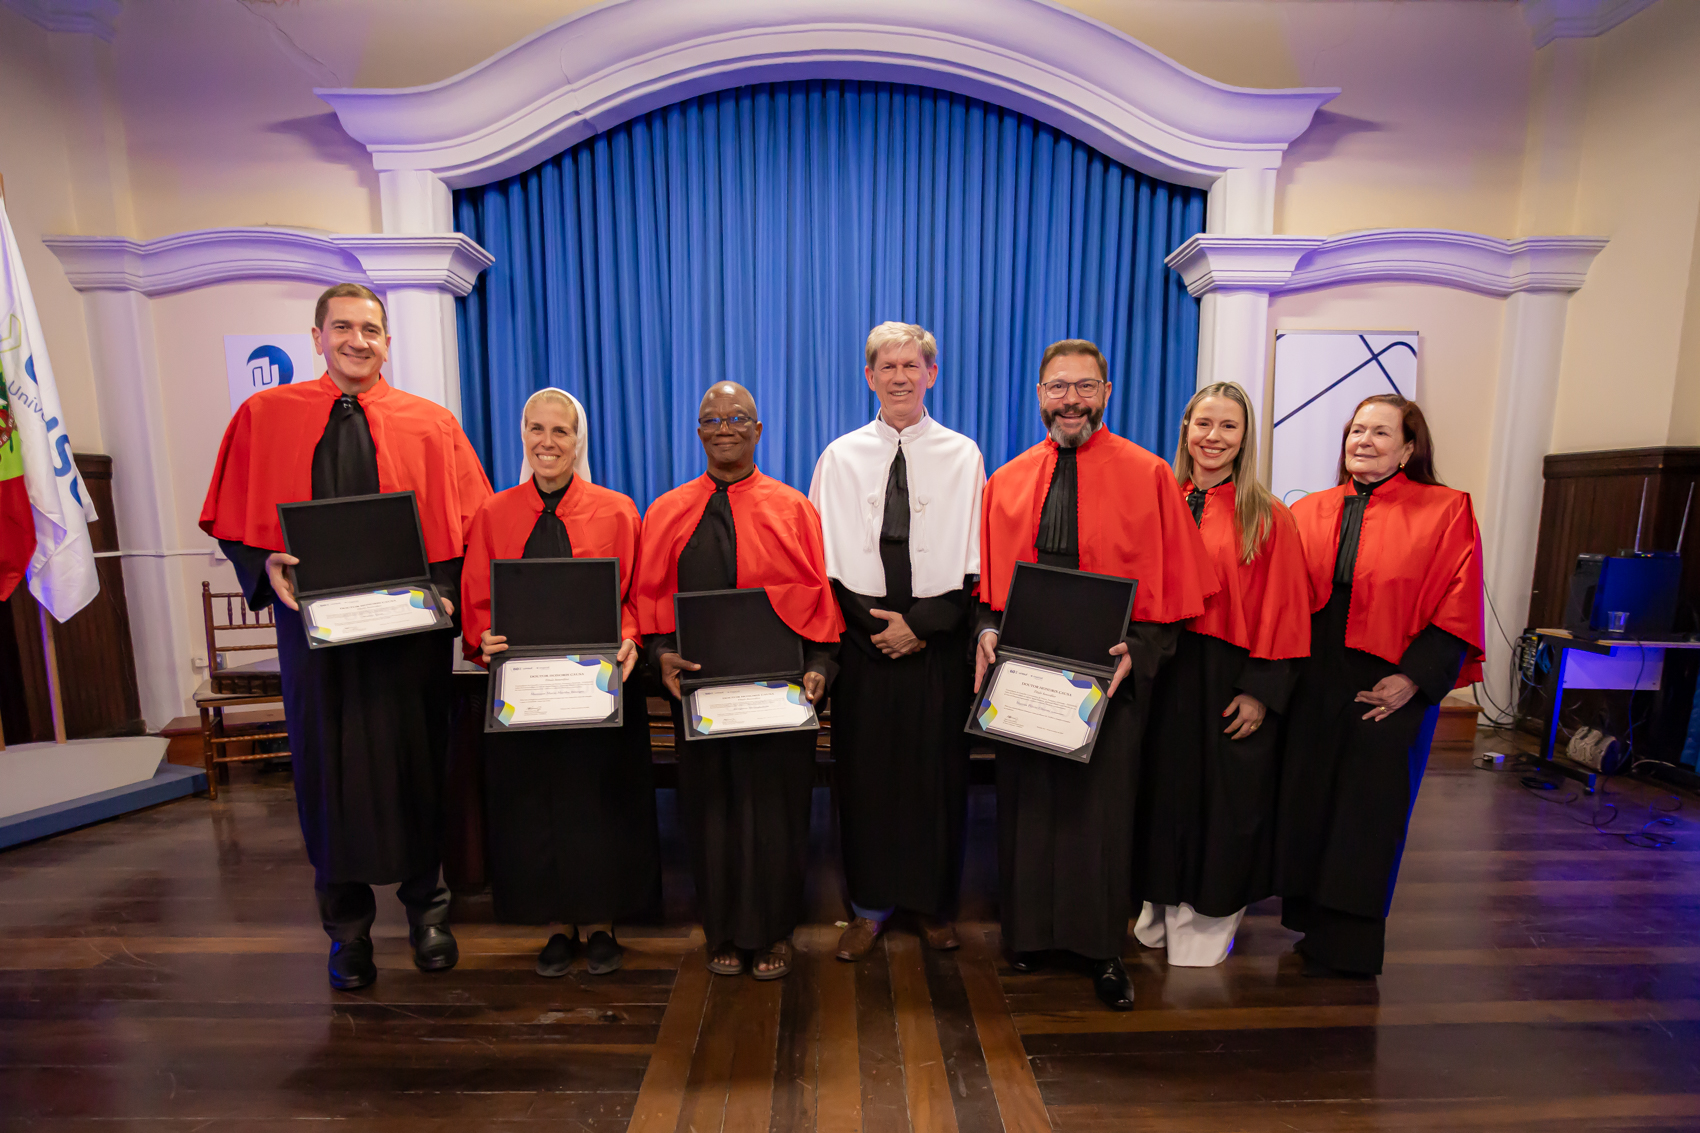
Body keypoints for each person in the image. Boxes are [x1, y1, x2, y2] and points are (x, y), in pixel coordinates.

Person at [200, 283, 493, 990]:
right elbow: (235, 526)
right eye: (343, 327)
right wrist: (262, 562)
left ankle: (429, 915)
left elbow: (466, 526)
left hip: (407, 638)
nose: (357, 340)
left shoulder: (431, 424)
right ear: (316, 336)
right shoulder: (264, 415)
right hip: (314, 637)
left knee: (417, 764)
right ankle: (348, 933)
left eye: (370, 329)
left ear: (388, 341)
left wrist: (448, 594)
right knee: (325, 775)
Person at [975, 339, 1218, 1010]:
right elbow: (989, 594)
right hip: (1024, 678)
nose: (1071, 400)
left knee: (1100, 814)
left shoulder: (1149, 477)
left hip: (1108, 677)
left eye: (1085, 387)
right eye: (1058, 387)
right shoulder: (1007, 478)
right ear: (1039, 394)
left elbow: (1176, 588)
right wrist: (987, 633)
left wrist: (1140, 648)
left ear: (1107, 393)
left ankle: (1100, 948)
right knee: (1027, 805)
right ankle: (1030, 933)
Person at [631, 381, 843, 980]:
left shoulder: (794, 508)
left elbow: (821, 607)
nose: (725, 427)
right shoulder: (666, 511)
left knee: (775, 810)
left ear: (758, 429)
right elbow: (649, 605)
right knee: (713, 809)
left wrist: (820, 669)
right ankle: (722, 927)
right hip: (700, 694)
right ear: (698, 431)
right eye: (712, 418)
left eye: (738, 418)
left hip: (780, 696)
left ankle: (772, 929)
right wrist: (661, 658)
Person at [1275, 394, 1484, 978]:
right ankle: (1312, 926)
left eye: (1380, 433)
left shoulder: (1446, 510)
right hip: (1315, 676)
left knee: (1369, 811)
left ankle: (1351, 946)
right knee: (1311, 800)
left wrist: (1414, 680)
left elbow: (1458, 601)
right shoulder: (1309, 509)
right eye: (1356, 431)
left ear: (1409, 448)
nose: (1363, 441)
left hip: (1388, 681)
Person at [460, 387, 659, 978]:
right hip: (524, 694)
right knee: (532, 804)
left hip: (596, 692)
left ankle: (601, 921)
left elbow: (635, 597)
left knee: (598, 802)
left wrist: (631, 637)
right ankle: (553, 923)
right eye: (536, 430)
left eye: (560, 432)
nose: (547, 443)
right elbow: (477, 601)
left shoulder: (618, 510)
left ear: (579, 441)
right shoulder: (494, 515)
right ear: (522, 436)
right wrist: (483, 640)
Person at [809, 322, 985, 962]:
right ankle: (868, 908)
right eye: (888, 366)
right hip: (864, 648)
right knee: (866, 780)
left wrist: (922, 627)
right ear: (870, 377)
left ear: (931, 374)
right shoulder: (840, 455)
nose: (902, 376)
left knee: (936, 779)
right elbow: (823, 560)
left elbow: (974, 559)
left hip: (937, 647)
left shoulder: (964, 455)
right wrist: (877, 628)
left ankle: (932, 906)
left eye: (913, 365)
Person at [1133, 382, 1310, 967]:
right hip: (1161, 669)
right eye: (1203, 424)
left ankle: (1209, 914)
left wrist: (1260, 690)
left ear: (1244, 437)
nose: (1213, 437)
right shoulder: (1158, 499)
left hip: (1228, 675)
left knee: (1222, 799)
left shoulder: (1267, 515)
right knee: (1161, 793)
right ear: (1185, 428)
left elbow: (1284, 607)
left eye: (1228, 427)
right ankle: (1159, 900)